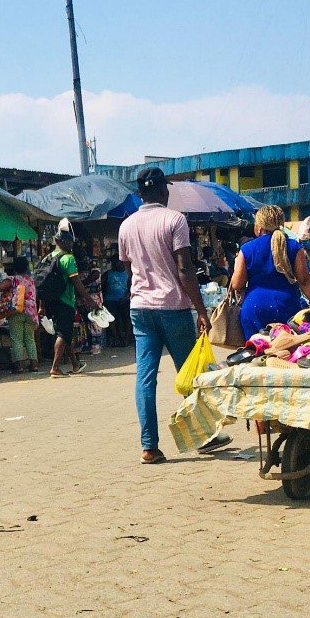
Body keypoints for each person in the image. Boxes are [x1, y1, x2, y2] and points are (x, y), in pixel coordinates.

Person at [118, 168, 224, 463]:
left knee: (145, 377)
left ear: (140, 192)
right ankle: (205, 435)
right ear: (164, 191)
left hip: (140, 308)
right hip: (174, 307)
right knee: (190, 373)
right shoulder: (175, 220)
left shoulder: (125, 226)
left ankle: (149, 446)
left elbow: (128, 269)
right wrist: (201, 310)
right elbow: (185, 269)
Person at [231, 206, 310, 338]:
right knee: (287, 354)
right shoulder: (294, 246)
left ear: (259, 227)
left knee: (257, 354)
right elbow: (304, 282)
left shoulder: (246, 249)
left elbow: (237, 284)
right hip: (287, 308)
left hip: (254, 309)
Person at [45, 223, 99, 378]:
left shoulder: (48, 257)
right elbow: (78, 284)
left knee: (65, 332)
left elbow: (43, 282)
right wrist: (90, 301)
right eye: (69, 242)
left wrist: (42, 306)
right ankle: (55, 368)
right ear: (63, 242)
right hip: (66, 300)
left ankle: (75, 364)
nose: (71, 245)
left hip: (52, 301)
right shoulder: (68, 259)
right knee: (64, 333)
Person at [0, 256, 38, 372]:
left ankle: (19, 366)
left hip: (16, 311)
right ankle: (34, 365)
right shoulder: (31, 280)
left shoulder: (13, 279)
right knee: (30, 339)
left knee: (17, 340)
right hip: (31, 312)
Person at [103, 258, 132, 347]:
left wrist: (126, 297)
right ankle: (116, 338)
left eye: (118, 262)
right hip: (110, 300)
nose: (116, 264)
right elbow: (103, 288)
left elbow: (131, 288)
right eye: (114, 262)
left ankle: (126, 338)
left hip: (124, 300)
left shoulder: (128, 274)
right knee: (112, 319)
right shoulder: (107, 274)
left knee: (127, 318)